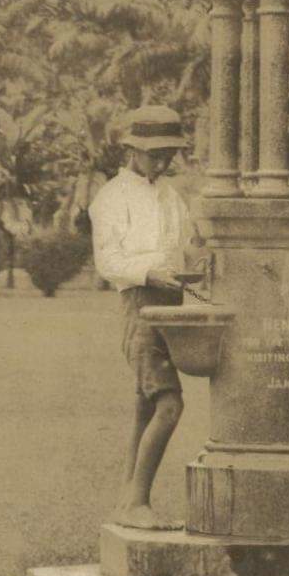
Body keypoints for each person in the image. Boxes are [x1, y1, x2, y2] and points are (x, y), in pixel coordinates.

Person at [89, 104, 201, 530]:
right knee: (168, 404)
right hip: (140, 303)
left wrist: (194, 264)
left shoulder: (172, 197)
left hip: (172, 303)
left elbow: (186, 247)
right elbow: (108, 261)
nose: (162, 161)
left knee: (144, 405)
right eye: (155, 153)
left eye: (169, 153)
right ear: (133, 150)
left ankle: (127, 501)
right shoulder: (112, 198)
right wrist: (150, 272)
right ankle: (137, 501)